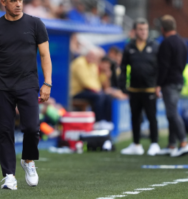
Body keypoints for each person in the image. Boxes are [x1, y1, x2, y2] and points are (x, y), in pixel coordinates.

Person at [0, 0, 52, 190]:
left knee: (31, 128)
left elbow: (45, 55)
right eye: (13, 0)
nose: (18, 4)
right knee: (5, 130)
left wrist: (47, 82)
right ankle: (9, 175)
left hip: (28, 84)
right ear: (3, 2)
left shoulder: (36, 24)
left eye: (20, 0)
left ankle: (28, 160)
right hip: (2, 86)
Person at [119, 18, 160, 156]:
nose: (143, 32)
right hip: (134, 89)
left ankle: (154, 143)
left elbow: (161, 68)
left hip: (150, 89)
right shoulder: (129, 47)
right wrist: (123, 85)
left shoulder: (155, 46)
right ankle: (136, 144)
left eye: (146, 29)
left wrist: (159, 85)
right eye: (141, 29)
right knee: (135, 117)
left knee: (151, 117)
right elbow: (123, 68)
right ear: (135, 31)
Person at [156, 15, 188, 157]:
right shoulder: (182, 42)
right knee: (172, 114)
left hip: (169, 82)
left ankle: (183, 142)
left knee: (172, 113)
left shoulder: (166, 43)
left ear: (162, 29)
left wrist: (158, 84)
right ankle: (171, 145)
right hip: (179, 80)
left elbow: (164, 67)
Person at [70, 49, 113, 130]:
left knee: (107, 96)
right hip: (75, 92)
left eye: (95, 57)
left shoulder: (92, 64)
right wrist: (98, 90)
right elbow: (85, 82)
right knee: (99, 96)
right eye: (92, 56)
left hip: (87, 90)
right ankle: (98, 121)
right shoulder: (80, 63)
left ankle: (107, 122)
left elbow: (96, 81)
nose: (94, 59)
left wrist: (104, 74)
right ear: (87, 55)